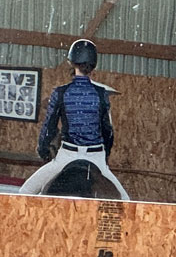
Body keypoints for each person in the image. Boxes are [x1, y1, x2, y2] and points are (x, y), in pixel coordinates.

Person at [19, 38, 130, 199]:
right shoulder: (101, 94)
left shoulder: (60, 92)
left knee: (24, 192)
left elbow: (49, 127)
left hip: (67, 156)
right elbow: (108, 131)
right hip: (96, 156)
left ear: (71, 62)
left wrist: (43, 150)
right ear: (93, 65)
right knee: (127, 203)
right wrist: (105, 157)